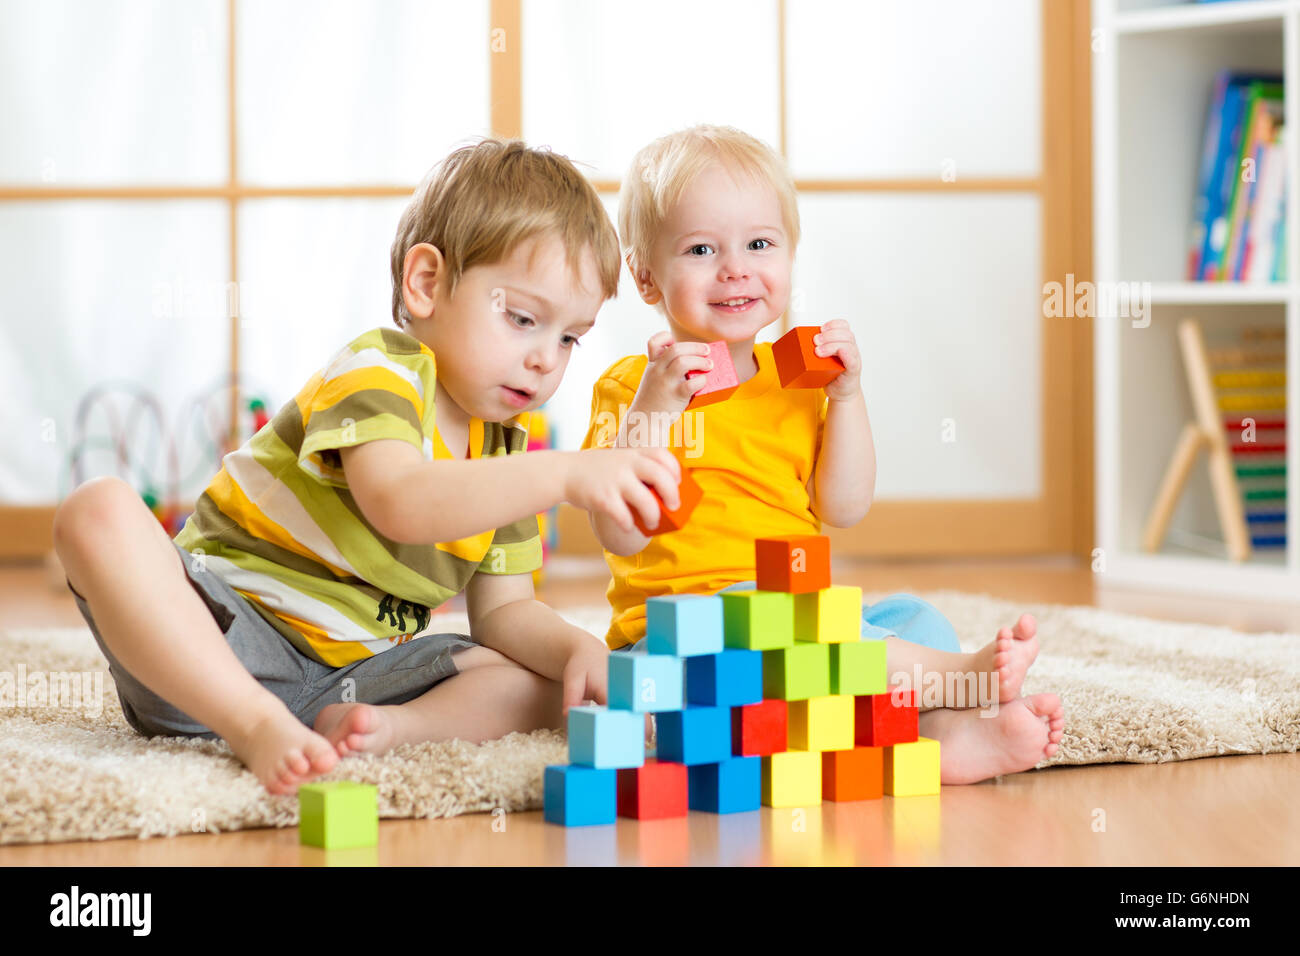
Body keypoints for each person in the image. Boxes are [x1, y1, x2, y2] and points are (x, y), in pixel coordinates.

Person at [52, 138, 681, 795]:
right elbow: (399, 500)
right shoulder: (382, 368)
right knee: (97, 510)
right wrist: (566, 473)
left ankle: (384, 730)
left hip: (355, 675)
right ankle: (252, 723)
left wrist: (580, 648)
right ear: (427, 283)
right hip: (215, 647)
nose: (546, 358)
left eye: (569, 338)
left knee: (541, 685)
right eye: (524, 319)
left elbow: (505, 617)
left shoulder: (506, 454)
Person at [581, 125, 1064, 784]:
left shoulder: (795, 385)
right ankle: (955, 684)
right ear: (645, 277)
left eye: (760, 244)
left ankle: (945, 741)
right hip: (679, 643)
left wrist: (847, 397)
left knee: (914, 619)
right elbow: (617, 532)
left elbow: (844, 506)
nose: (736, 268)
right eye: (700, 249)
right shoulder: (629, 388)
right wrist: (658, 409)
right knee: (760, 610)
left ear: (789, 256)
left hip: (805, 624)